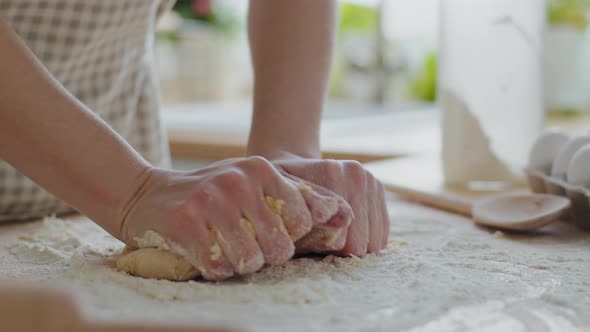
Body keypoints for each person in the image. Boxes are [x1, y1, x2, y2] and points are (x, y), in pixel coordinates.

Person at [0, 0, 389, 281]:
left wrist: (287, 154)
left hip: (128, 189)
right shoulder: (134, 192)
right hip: (127, 191)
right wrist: (131, 191)